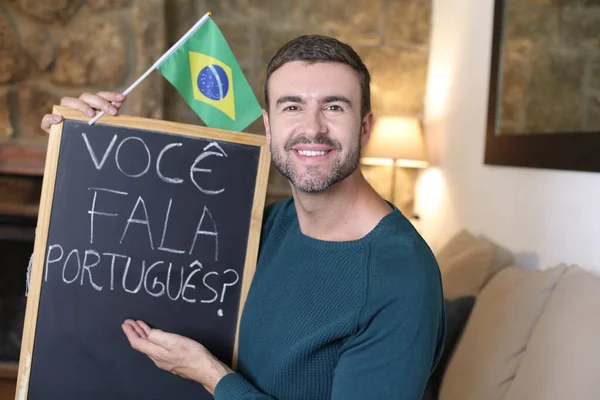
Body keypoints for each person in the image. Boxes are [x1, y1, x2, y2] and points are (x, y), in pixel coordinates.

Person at [41, 34, 446, 399]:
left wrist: (214, 378)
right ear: (269, 126)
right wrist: (79, 158)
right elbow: (122, 283)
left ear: (364, 127)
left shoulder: (400, 276)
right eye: (292, 106)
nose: (312, 128)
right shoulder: (262, 226)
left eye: (334, 107)